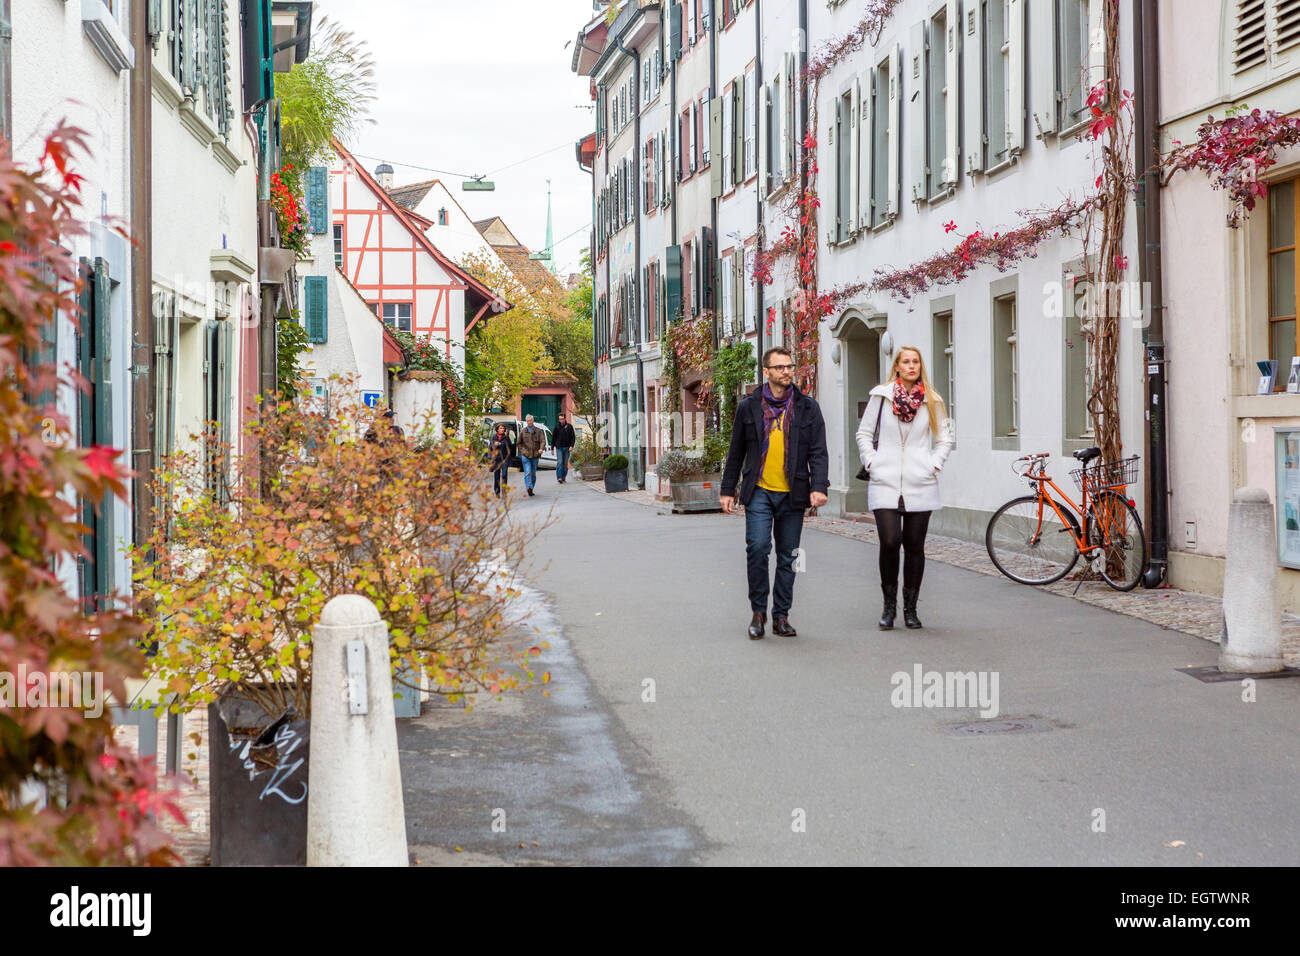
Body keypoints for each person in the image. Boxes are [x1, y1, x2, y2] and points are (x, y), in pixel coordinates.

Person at [719, 346, 829, 641]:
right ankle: (758, 612)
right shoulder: (749, 406)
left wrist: (819, 487)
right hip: (759, 491)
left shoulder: (807, 407)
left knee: (789, 555)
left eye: (790, 366)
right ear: (766, 372)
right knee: (757, 548)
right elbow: (736, 452)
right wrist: (727, 490)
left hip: (794, 492)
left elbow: (818, 451)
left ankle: (781, 615)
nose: (787, 371)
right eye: (780, 367)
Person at [856, 345, 954, 630]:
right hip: (884, 479)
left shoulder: (932, 400)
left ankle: (911, 609)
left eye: (916, 362)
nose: (911, 366)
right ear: (897, 366)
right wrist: (871, 461)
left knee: (914, 546)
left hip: (920, 481)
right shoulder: (881, 396)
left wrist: (933, 464)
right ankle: (889, 607)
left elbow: (945, 438)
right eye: (906, 362)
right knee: (889, 541)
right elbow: (864, 433)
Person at [517, 414, 546, 497]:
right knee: (527, 472)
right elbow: (519, 444)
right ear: (526, 421)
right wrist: (523, 451)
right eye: (528, 421)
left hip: (535, 455)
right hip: (525, 455)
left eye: (531, 420)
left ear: (533, 421)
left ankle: (531, 487)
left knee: (533, 473)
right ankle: (528, 487)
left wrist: (541, 449)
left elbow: (543, 441)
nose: (529, 422)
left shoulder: (539, 431)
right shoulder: (523, 431)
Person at [489, 423, 515, 498]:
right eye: (500, 428)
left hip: (504, 459)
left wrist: (499, 444)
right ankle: (497, 492)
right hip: (496, 460)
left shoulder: (506, 437)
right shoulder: (494, 437)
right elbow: (490, 447)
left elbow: (509, 445)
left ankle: (504, 492)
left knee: (504, 475)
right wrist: (494, 445)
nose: (502, 430)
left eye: (503, 428)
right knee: (496, 476)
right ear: (497, 429)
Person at [553, 412, 576, 484]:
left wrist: (571, 446)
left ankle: (563, 477)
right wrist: (552, 448)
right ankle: (559, 477)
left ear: (565, 419)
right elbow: (554, 438)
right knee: (560, 462)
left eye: (562, 419)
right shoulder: (557, 427)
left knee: (565, 464)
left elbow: (573, 437)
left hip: (567, 448)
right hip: (559, 448)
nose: (561, 421)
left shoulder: (569, 427)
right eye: (560, 419)